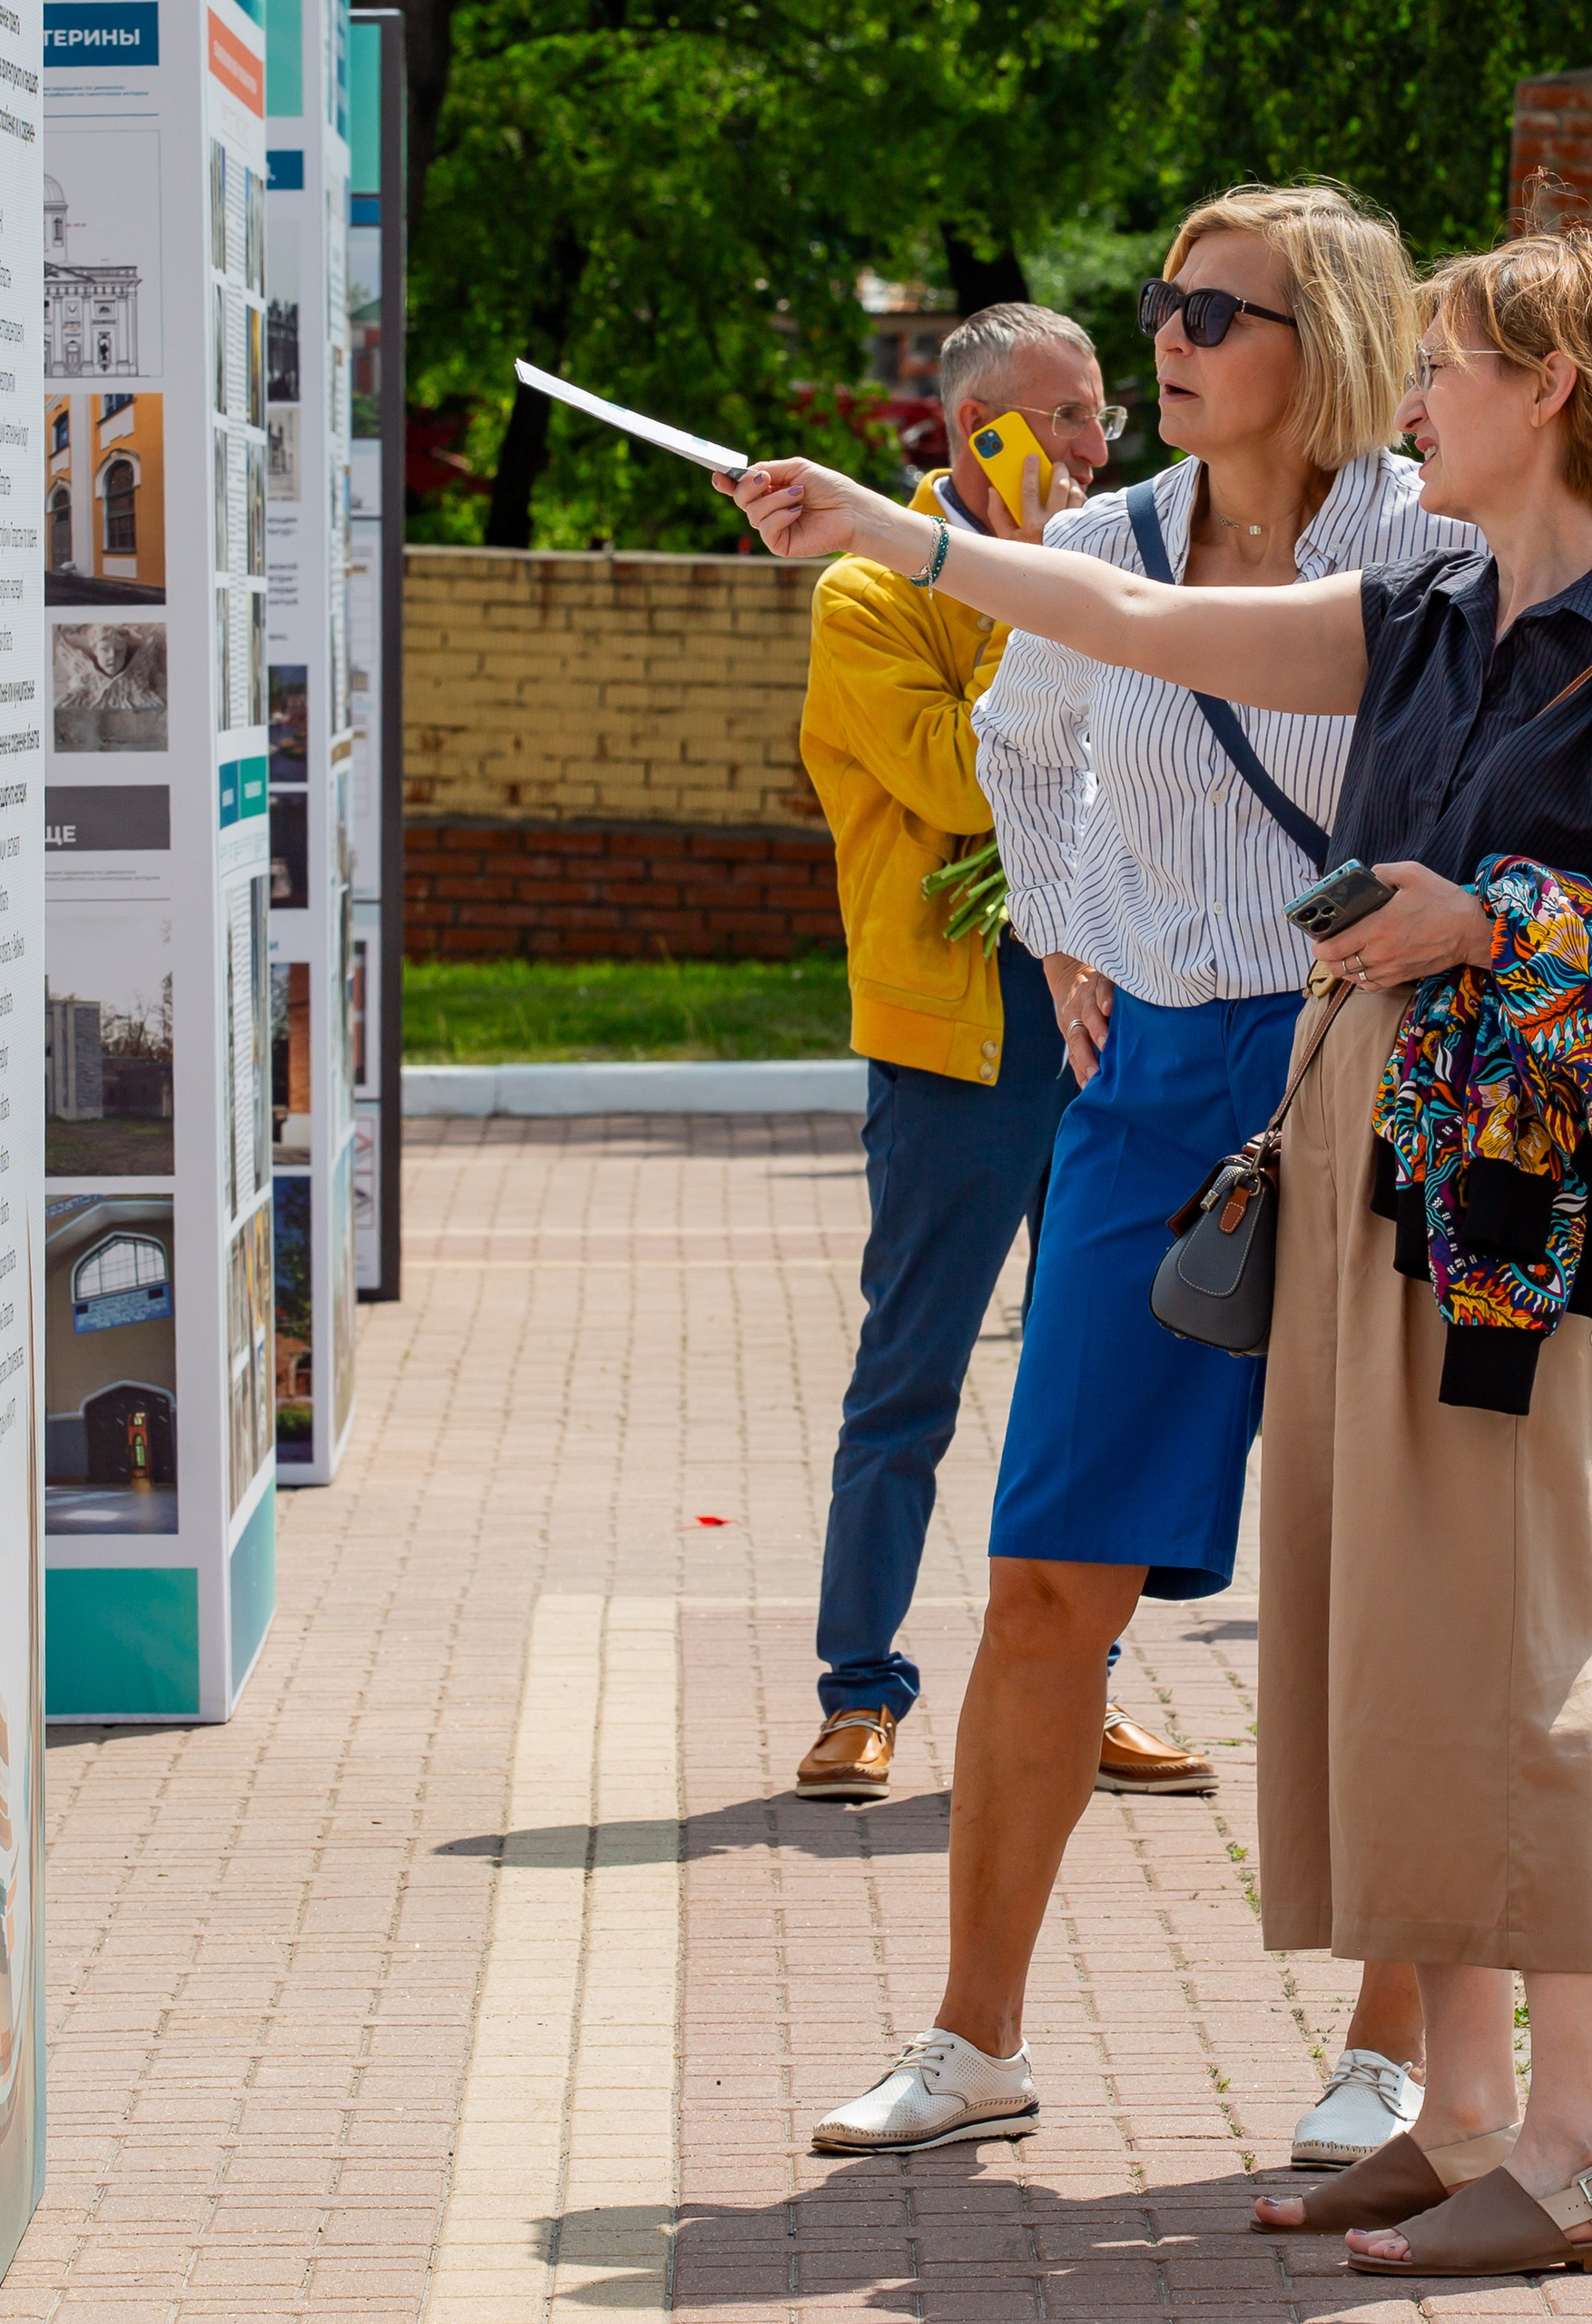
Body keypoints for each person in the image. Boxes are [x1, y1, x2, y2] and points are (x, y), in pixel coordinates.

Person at [722, 220, 1592, 2282]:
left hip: (1510, 1178)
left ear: (1534, 386)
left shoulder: (1479, 583)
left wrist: (1497, 928)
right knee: (1363, 1609)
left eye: (1449, 360)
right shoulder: (1431, 606)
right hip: (1340, 1113)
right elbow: (1106, 615)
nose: (1171, 345)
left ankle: (1522, 2128)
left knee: (1491, 1634)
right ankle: (1440, 2103)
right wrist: (893, 534)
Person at [794, 303, 1204, 1806]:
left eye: (1103, 414)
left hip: (1107, 1011)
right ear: (985, 439)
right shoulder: (865, 595)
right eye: (1073, 420)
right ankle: (859, 1693)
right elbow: (972, 778)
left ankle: (1076, 1688)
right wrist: (1045, 590)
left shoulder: (1131, 554)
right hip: (958, 1034)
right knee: (911, 1375)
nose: (1103, 446)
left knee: (1095, 1374)